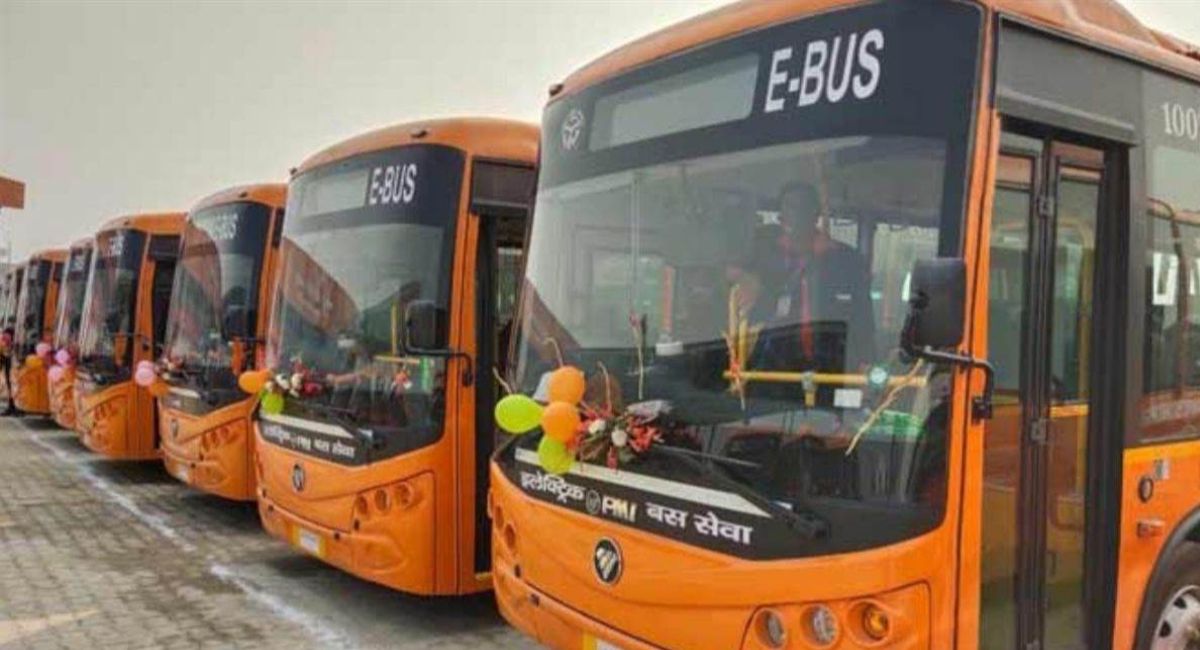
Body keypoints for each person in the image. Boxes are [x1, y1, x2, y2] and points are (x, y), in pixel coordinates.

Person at [752, 183, 876, 403]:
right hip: (775, 368)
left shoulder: (846, 260)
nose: (795, 215)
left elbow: (863, 317)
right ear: (780, 216)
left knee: (843, 412)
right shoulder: (764, 259)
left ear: (816, 214)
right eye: (789, 208)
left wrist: (866, 366)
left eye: (802, 208)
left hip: (835, 369)